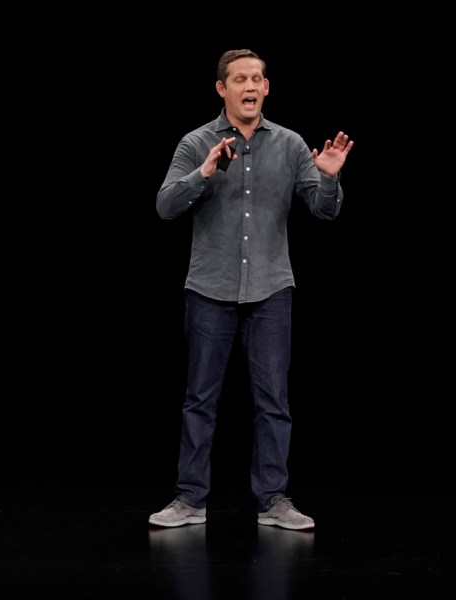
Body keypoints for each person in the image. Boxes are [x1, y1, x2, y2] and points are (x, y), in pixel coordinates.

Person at [149, 49, 353, 530]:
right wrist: (202, 174)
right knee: (200, 398)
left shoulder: (289, 144)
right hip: (209, 289)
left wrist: (329, 178)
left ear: (266, 88)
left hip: (270, 289)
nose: (250, 86)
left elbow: (325, 211)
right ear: (222, 88)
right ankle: (190, 499)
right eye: (240, 78)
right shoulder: (196, 142)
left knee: (272, 400)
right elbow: (164, 206)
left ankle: (274, 499)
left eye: (258, 78)